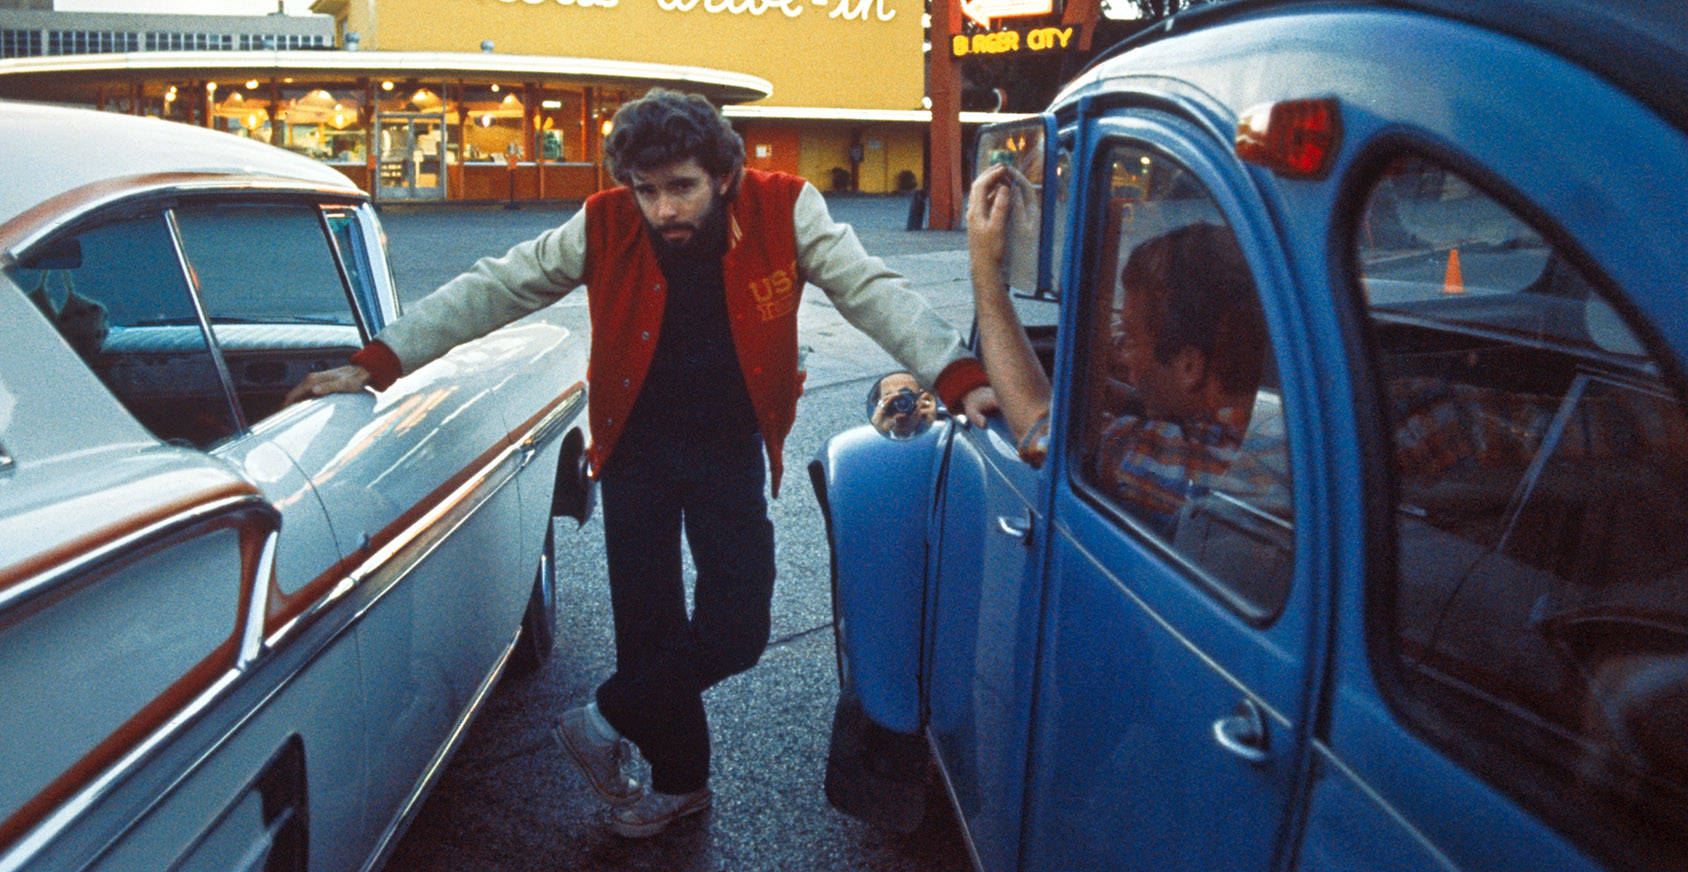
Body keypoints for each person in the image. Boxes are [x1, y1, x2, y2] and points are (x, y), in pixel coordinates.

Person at [289, 89, 995, 837]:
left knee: (738, 627)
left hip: (728, 449)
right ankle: (677, 783)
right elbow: (496, 286)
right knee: (649, 627)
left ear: (723, 175)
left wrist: (957, 373)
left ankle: (602, 719)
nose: (663, 209)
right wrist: (379, 361)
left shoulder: (785, 208)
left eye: (681, 187)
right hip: (634, 453)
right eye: (647, 189)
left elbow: (869, 290)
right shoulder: (603, 222)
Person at [965, 165, 1285, 526]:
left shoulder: (1202, 464)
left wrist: (984, 269)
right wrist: (1109, 390)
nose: (1120, 355)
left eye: (1130, 339)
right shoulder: (1271, 428)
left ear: (1190, 366)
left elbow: (1039, 429)